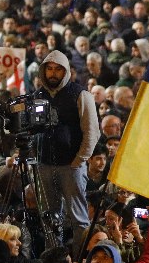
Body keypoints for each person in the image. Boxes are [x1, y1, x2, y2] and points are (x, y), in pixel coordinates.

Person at [35, 49, 100, 249]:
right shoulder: (38, 95)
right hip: (45, 165)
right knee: (49, 218)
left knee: (79, 219)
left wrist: (79, 160)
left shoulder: (80, 95)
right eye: (50, 69)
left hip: (71, 166)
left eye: (57, 70)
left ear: (66, 72)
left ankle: (80, 259)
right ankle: (54, 260)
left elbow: (92, 131)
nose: (53, 73)